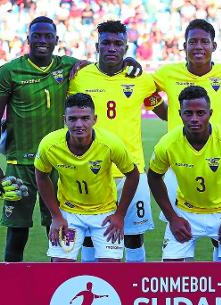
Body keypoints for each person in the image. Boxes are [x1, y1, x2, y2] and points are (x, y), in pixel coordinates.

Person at [0, 16, 141, 262]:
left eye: (48, 36)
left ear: (57, 40)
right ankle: (11, 291)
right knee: (16, 232)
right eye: (37, 36)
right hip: (19, 163)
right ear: (28, 39)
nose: (42, 41)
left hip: (58, 162)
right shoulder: (9, 71)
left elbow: (101, 64)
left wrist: (127, 62)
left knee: (56, 230)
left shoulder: (68, 66)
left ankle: (57, 286)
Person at [152, 21, 221, 251]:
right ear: (184, 46)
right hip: (178, 160)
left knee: (220, 231)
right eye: (193, 41)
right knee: (179, 228)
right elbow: (142, 88)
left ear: (214, 45)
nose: (198, 46)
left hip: (218, 154)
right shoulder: (167, 73)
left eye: (204, 41)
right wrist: (163, 112)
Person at [68, 20, 167, 262]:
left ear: (126, 47)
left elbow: (165, 113)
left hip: (132, 170)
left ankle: (134, 289)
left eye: (118, 43)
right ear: (97, 46)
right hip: (90, 169)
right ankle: (92, 278)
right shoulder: (79, 77)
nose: (112, 48)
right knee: (91, 233)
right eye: (106, 43)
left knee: (133, 234)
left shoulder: (140, 79)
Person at [147, 86, 221, 261]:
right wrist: (172, 218)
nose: (194, 119)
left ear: (210, 113)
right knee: (170, 276)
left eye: (200, 113)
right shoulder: (167, 144)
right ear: (180, 113)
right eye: (188, 113)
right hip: (186, 212)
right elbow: (154, 177)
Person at [35, 93, 140, 262]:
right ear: (65, 120)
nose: (79, 124)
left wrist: (120, 215)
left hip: (104, 213)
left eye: (85, 118)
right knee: (59, 269)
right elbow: (41, 175)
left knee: (111, 271)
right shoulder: (49, 145)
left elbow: (133, 175)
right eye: (73, 119)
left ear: (94, 119)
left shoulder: (110, 144)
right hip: (69, 215)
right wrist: (56, 216)